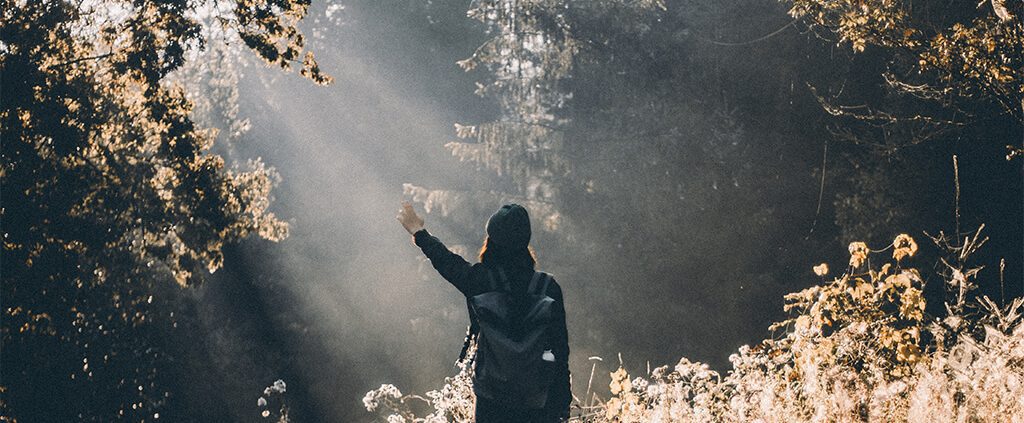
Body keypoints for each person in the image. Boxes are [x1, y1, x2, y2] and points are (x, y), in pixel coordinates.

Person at [397, 202, 571, 422]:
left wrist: (418, 232)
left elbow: (446, 261)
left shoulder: (479, 281)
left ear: (492, 241)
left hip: (492, 399)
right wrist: (562, 401)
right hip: (537, 400)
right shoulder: (547, 287)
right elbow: (560, 348)